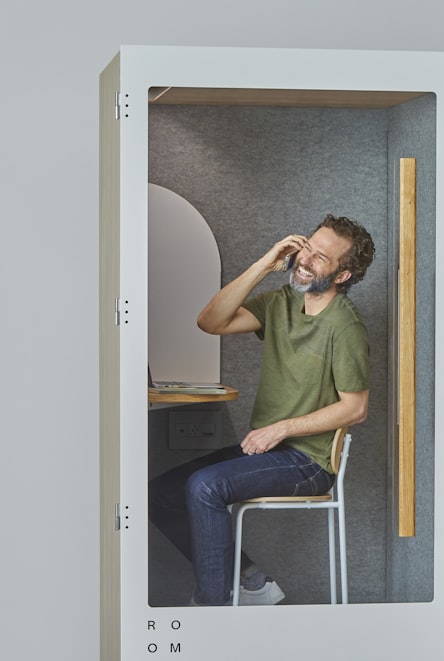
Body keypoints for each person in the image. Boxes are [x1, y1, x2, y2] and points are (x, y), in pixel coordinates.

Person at [149, 213, 375, 606]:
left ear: (342, 275)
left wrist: (281, 428)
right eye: (307, 246)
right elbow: (210, 322)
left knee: (205, 487)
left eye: (321, 257)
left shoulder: (345, 327)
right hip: (268, 450)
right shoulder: (281, 303)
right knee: (161, 494)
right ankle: (251, 583)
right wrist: (264, 264)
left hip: (310, 463)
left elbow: (355, 408)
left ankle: (213, 610)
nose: (305, 259)